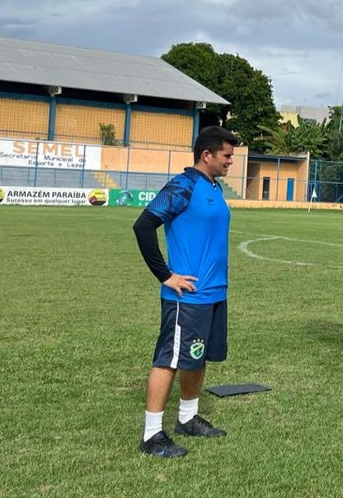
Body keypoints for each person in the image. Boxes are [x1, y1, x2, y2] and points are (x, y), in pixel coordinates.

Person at [131, 126, 239, 458]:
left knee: (197, 355)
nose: (230, 161)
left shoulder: (213, 186)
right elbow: (143, 225)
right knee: (170, 360)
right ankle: (151, 435)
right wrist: (166, 275)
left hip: (213, 293)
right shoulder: (183, 185)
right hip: (187, 296)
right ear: (206, 155)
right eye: (226, 155)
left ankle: (188, 418)